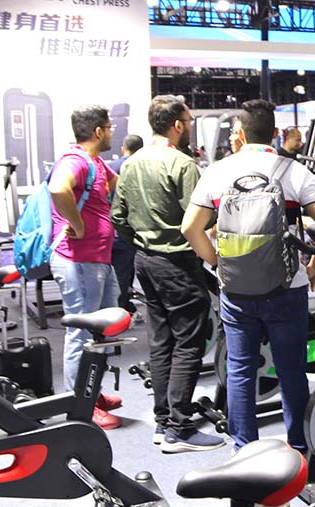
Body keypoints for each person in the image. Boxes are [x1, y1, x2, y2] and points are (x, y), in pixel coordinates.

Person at [182, 100, 315, 454]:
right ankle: (298, 446)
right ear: (276, 133)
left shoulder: (218, 172)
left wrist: (218, 263)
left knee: (240, 370)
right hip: (287, 286)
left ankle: (244, 449)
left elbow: (190, 227)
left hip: (236, 289)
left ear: (239, 133)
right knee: (291, 370)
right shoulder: (294, 171)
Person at [111, 96, 223, 453]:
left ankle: (163, 421)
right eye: (188, 122)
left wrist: (141, 242)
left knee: (161, 343)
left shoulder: (131, 162)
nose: (188, 128)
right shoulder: (182, 164)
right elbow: (200, 217)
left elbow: (118, 217)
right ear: (177, 125)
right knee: (189, 343)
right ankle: (179, 428)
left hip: (145, 262)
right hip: (177, 263)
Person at [47, 105, 122, 430]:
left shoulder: (95, 162)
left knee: (102, 331)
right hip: (78, 261)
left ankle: (92, 391)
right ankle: (80, 404)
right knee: (81, 335)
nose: (112, 132)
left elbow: (121, 183)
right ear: (98, 131)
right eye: (109, 127)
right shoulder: (75, 160)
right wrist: (77, 225)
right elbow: (58, 188)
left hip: (98, 260)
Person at [108, 134, 143, 314]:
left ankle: (115, 308)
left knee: (110, 274)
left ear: (123, 149)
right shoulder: (141, 168)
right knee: (123, 275)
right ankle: (119, 311)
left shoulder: (110, 167)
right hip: (129, 231)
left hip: (109, 229)